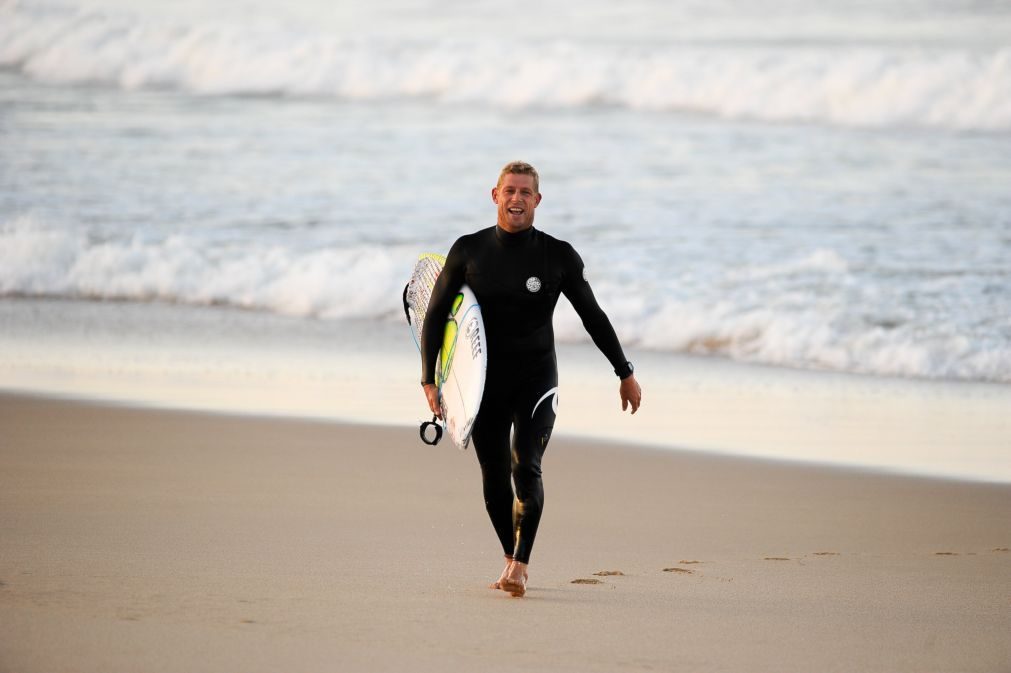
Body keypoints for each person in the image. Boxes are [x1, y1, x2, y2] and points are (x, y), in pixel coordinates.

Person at [421, 161, 641, 597]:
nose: (517, 199)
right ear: (495, 196)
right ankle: (509, 553)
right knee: (493, 474)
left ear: (537, 200)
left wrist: (624, 372)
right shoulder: (468, 251)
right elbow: (436, 316)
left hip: (536, 377)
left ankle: (520, 565)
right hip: (483, 382)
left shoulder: (557, 256)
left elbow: (593, 317)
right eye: (510, 191)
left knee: (527, 465)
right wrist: (429, 381)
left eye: (525, 192)